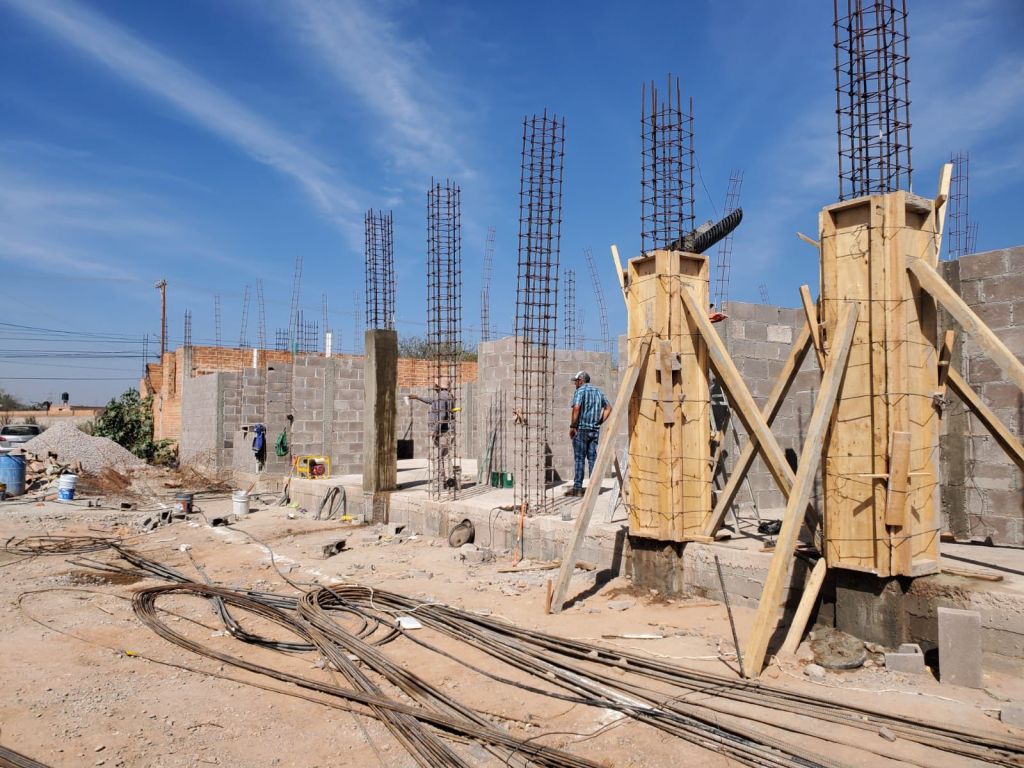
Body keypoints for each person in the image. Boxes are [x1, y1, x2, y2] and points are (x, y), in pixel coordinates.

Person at [566, 370, 611, 497]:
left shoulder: (580, 391)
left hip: (581, 430)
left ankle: (578, 488)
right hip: (594, 431)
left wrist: (573, 426)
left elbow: (576, 408)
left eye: (576, 381)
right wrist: (599, 422)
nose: (575, 384)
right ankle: (593, 489)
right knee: (592, 459)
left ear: (581, 381)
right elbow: (608, 408)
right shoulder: (598, 392)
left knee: (579, 459)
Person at [410, 381, 454, 448]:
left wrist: (435, 430)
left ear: (438, 386)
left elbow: (442, 415)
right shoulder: (445, 394)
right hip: (442, 426)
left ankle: (441, 457)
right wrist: (417, 397)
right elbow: (431, 400)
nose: (433, 385)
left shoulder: (441, 396)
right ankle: (441, 457)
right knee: (440, 445)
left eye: (435, 384)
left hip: (442, 427)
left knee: (441, 445)